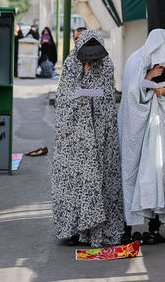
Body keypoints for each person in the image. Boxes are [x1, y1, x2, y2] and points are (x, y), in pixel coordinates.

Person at [52, 30, 124, 247]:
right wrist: (80, 94)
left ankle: (96, 230)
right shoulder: (71, 63)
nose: (90, 60)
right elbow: (63, 95)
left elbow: (107, 97)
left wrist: (87, 94)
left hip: (100, 135)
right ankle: (73, 229)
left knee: (100, 181)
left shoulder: (106, 64)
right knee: (72, 183)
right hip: (73, 137)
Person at [118, 28, 165, 244]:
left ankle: (153, 228)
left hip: (158, 135)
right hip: (135, 133)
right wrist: (148, 78)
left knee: (156, 176)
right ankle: (127, 229)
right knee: (130, 174)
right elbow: (131, 96)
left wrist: (162, 92)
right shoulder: (136, 60)